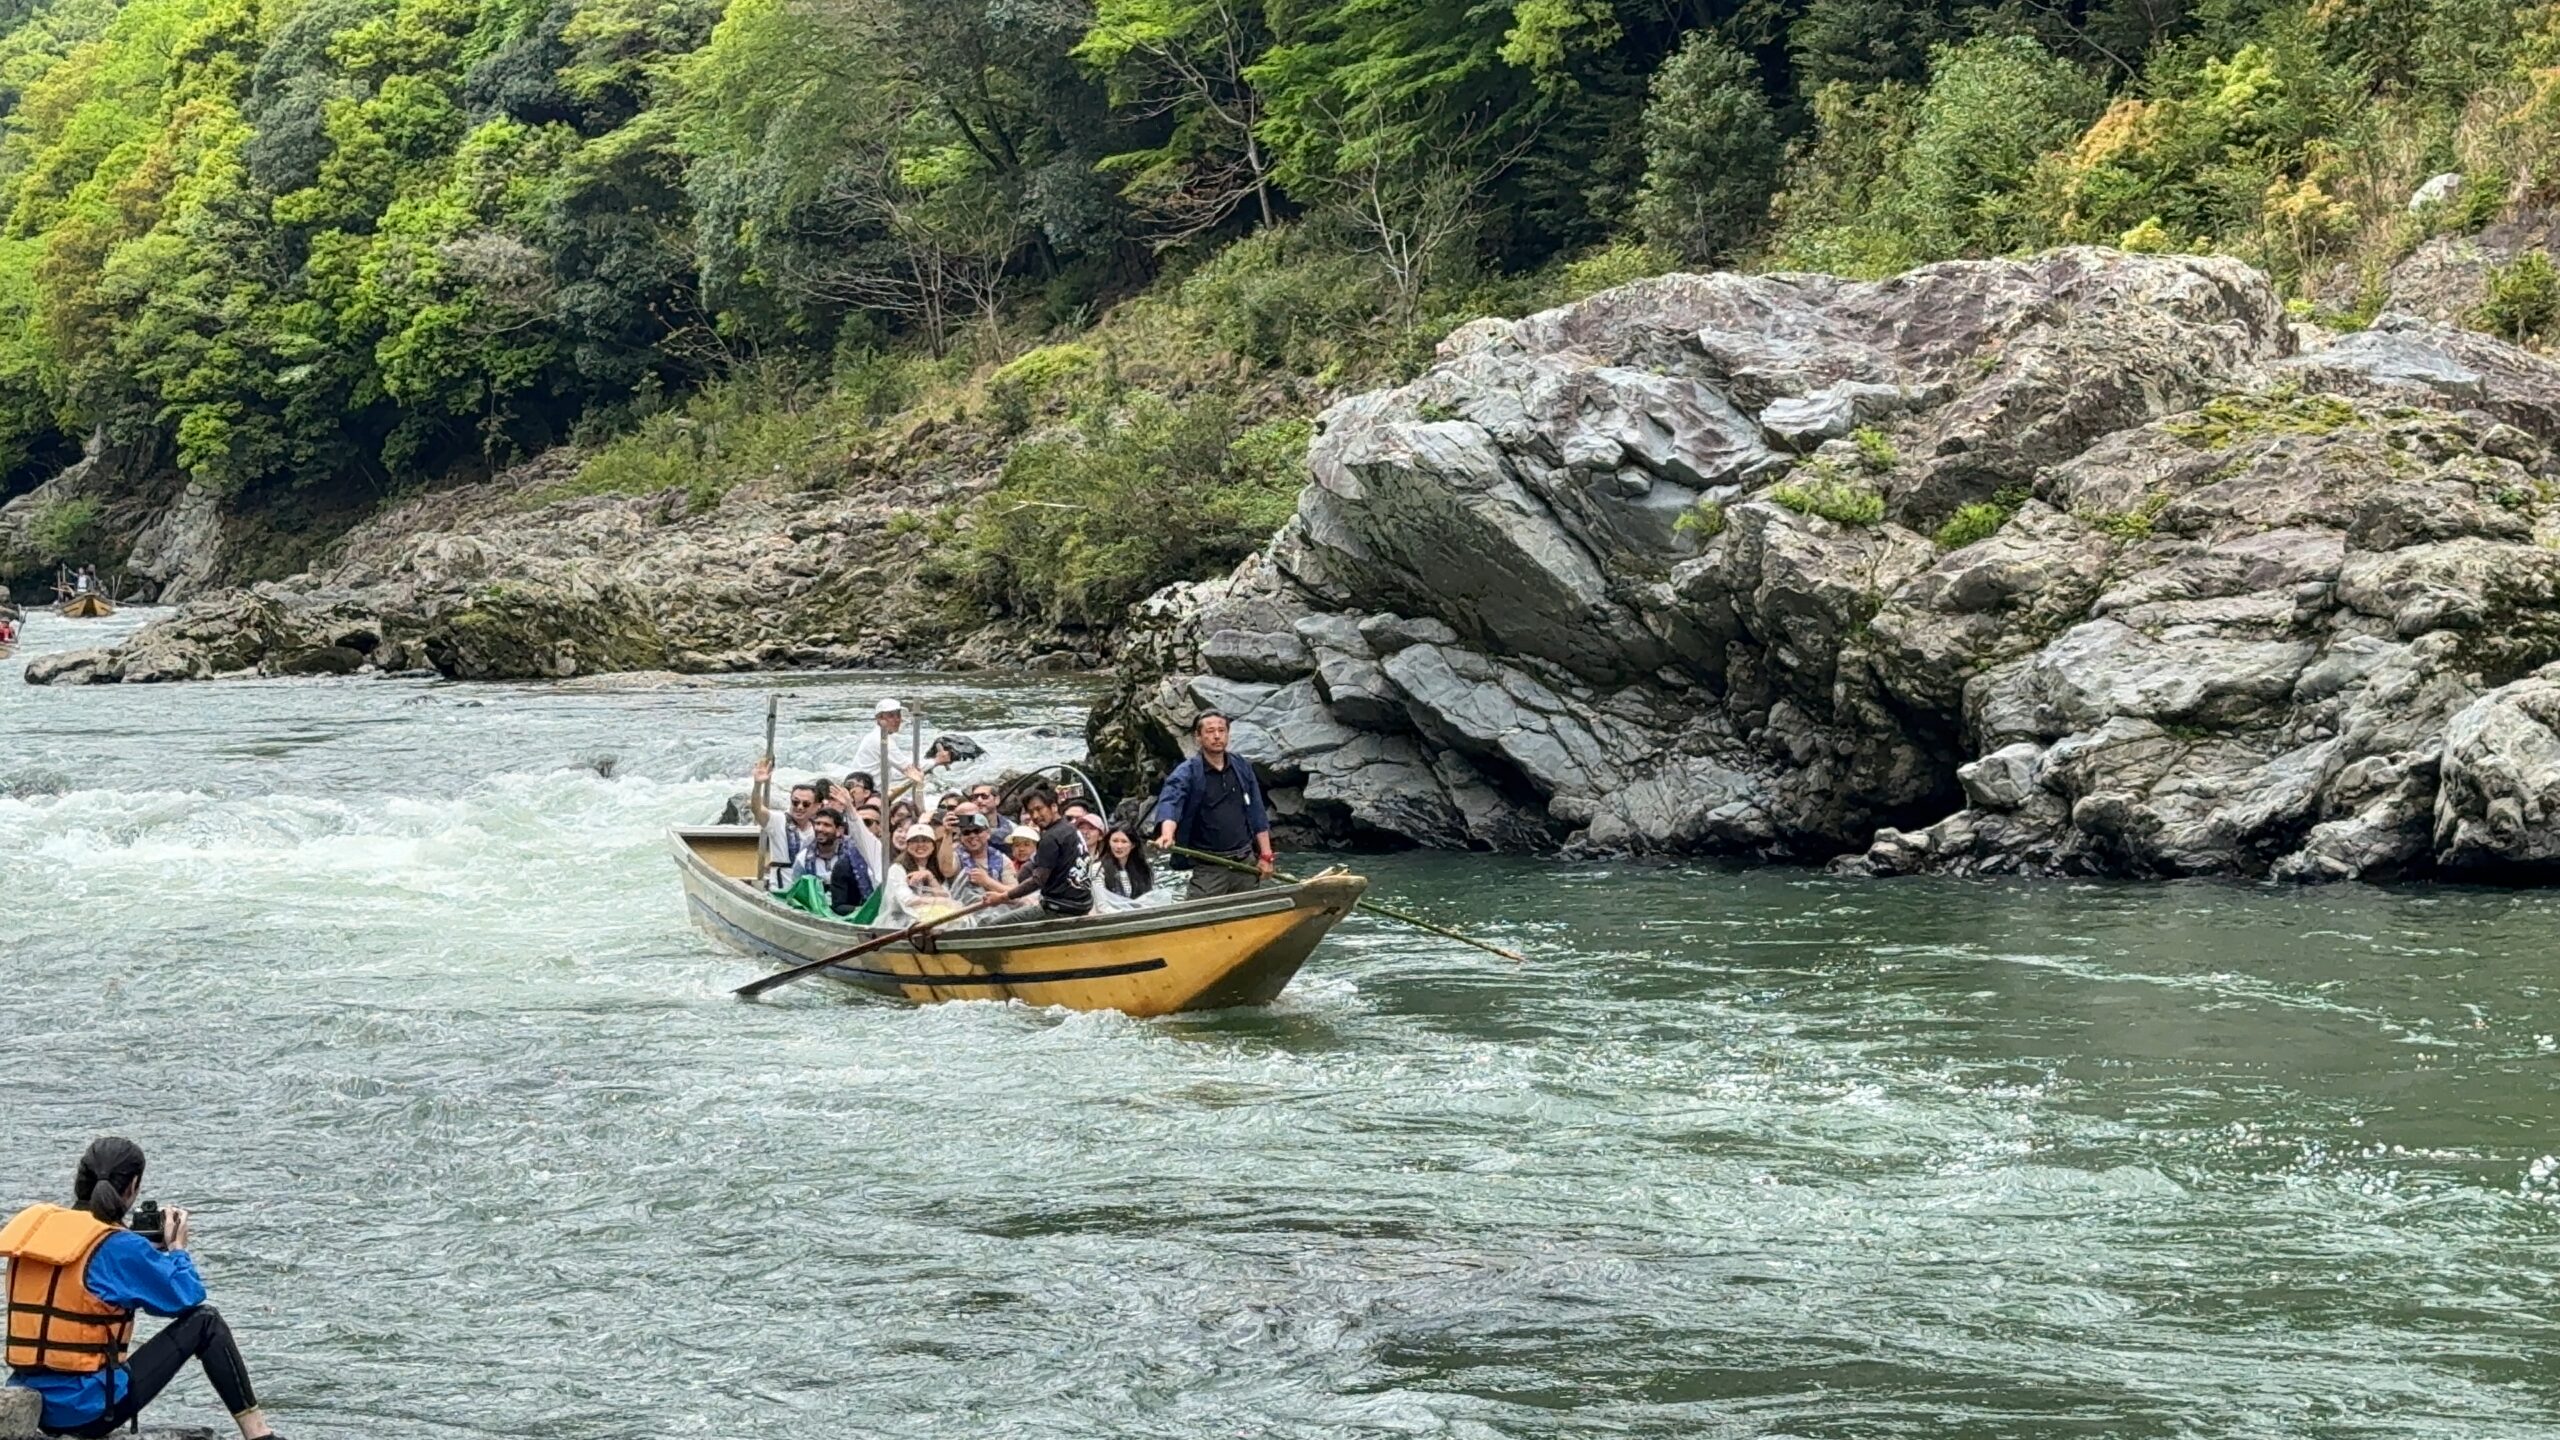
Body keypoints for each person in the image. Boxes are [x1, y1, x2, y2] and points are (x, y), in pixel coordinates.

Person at [0, 1138, 283, 1440]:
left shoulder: (40, 1229)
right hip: (88, 1411)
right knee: (206, 1321)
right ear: (133, 1186)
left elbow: (88, 1270)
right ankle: (259, 1434)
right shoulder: (118, 1246)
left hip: (31, 1400)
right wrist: (177, 1250)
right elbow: (186, 1296)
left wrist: (142, 1251)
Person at [1151, 711, 1275, 898]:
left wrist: (1266, 856)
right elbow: (1171, 801)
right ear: (1198, 737)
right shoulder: (1188, 772)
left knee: (1245, 917)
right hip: (1209, 865)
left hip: (1244, 862)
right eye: (1209, 731)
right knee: (1197, 916)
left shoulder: (1241, 766)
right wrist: (1167, 834)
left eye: (1221, 730)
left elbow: (1257, 811)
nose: (1217, 736)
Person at [986, 786, 1095, 918]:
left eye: (1039, 809)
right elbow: (1036, 863)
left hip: (1059, 909)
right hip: (1082, 904)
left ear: (1053, 807)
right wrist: (1014, 883)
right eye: (1031, 812)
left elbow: (1038, 880)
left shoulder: (1051, 837)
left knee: (991, 925)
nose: (1035, 816)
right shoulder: (1070, 828)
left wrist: (1003, 897)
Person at [790, 807, 875, 916]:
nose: (820, 828)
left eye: (826, 825)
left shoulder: (855, 856)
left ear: (839, 830)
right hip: (815, 915)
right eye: (818, 824)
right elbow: (796, 891)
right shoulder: (803, 858)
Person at [748, 761, 819, 886]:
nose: (800, 807)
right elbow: (757, 809)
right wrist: (758, 784)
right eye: (795, 802)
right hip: (782, 890)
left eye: (806, 804)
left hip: (810, 890)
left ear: (816, 807)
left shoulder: (819, 827)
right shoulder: (778, 821)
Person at [875, 824, 955, 929]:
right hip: (901, 923)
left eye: (925, 840)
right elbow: (908, 900)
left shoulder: (936, 868)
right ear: (907, 845)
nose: (920, 845)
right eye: (915, 841)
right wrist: (938, 901)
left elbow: (946, 897)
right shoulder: (897, 869)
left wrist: (930, 877)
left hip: (934, 921)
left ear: (933, 846)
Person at [1096, 826, 1156, 905]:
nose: (1119, 846)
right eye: (1115, 841)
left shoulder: (1142, 869)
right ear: (1109, 842)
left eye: (1124, 842)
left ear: (1133, 845)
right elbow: (1100, 901)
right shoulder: (1098, 868)